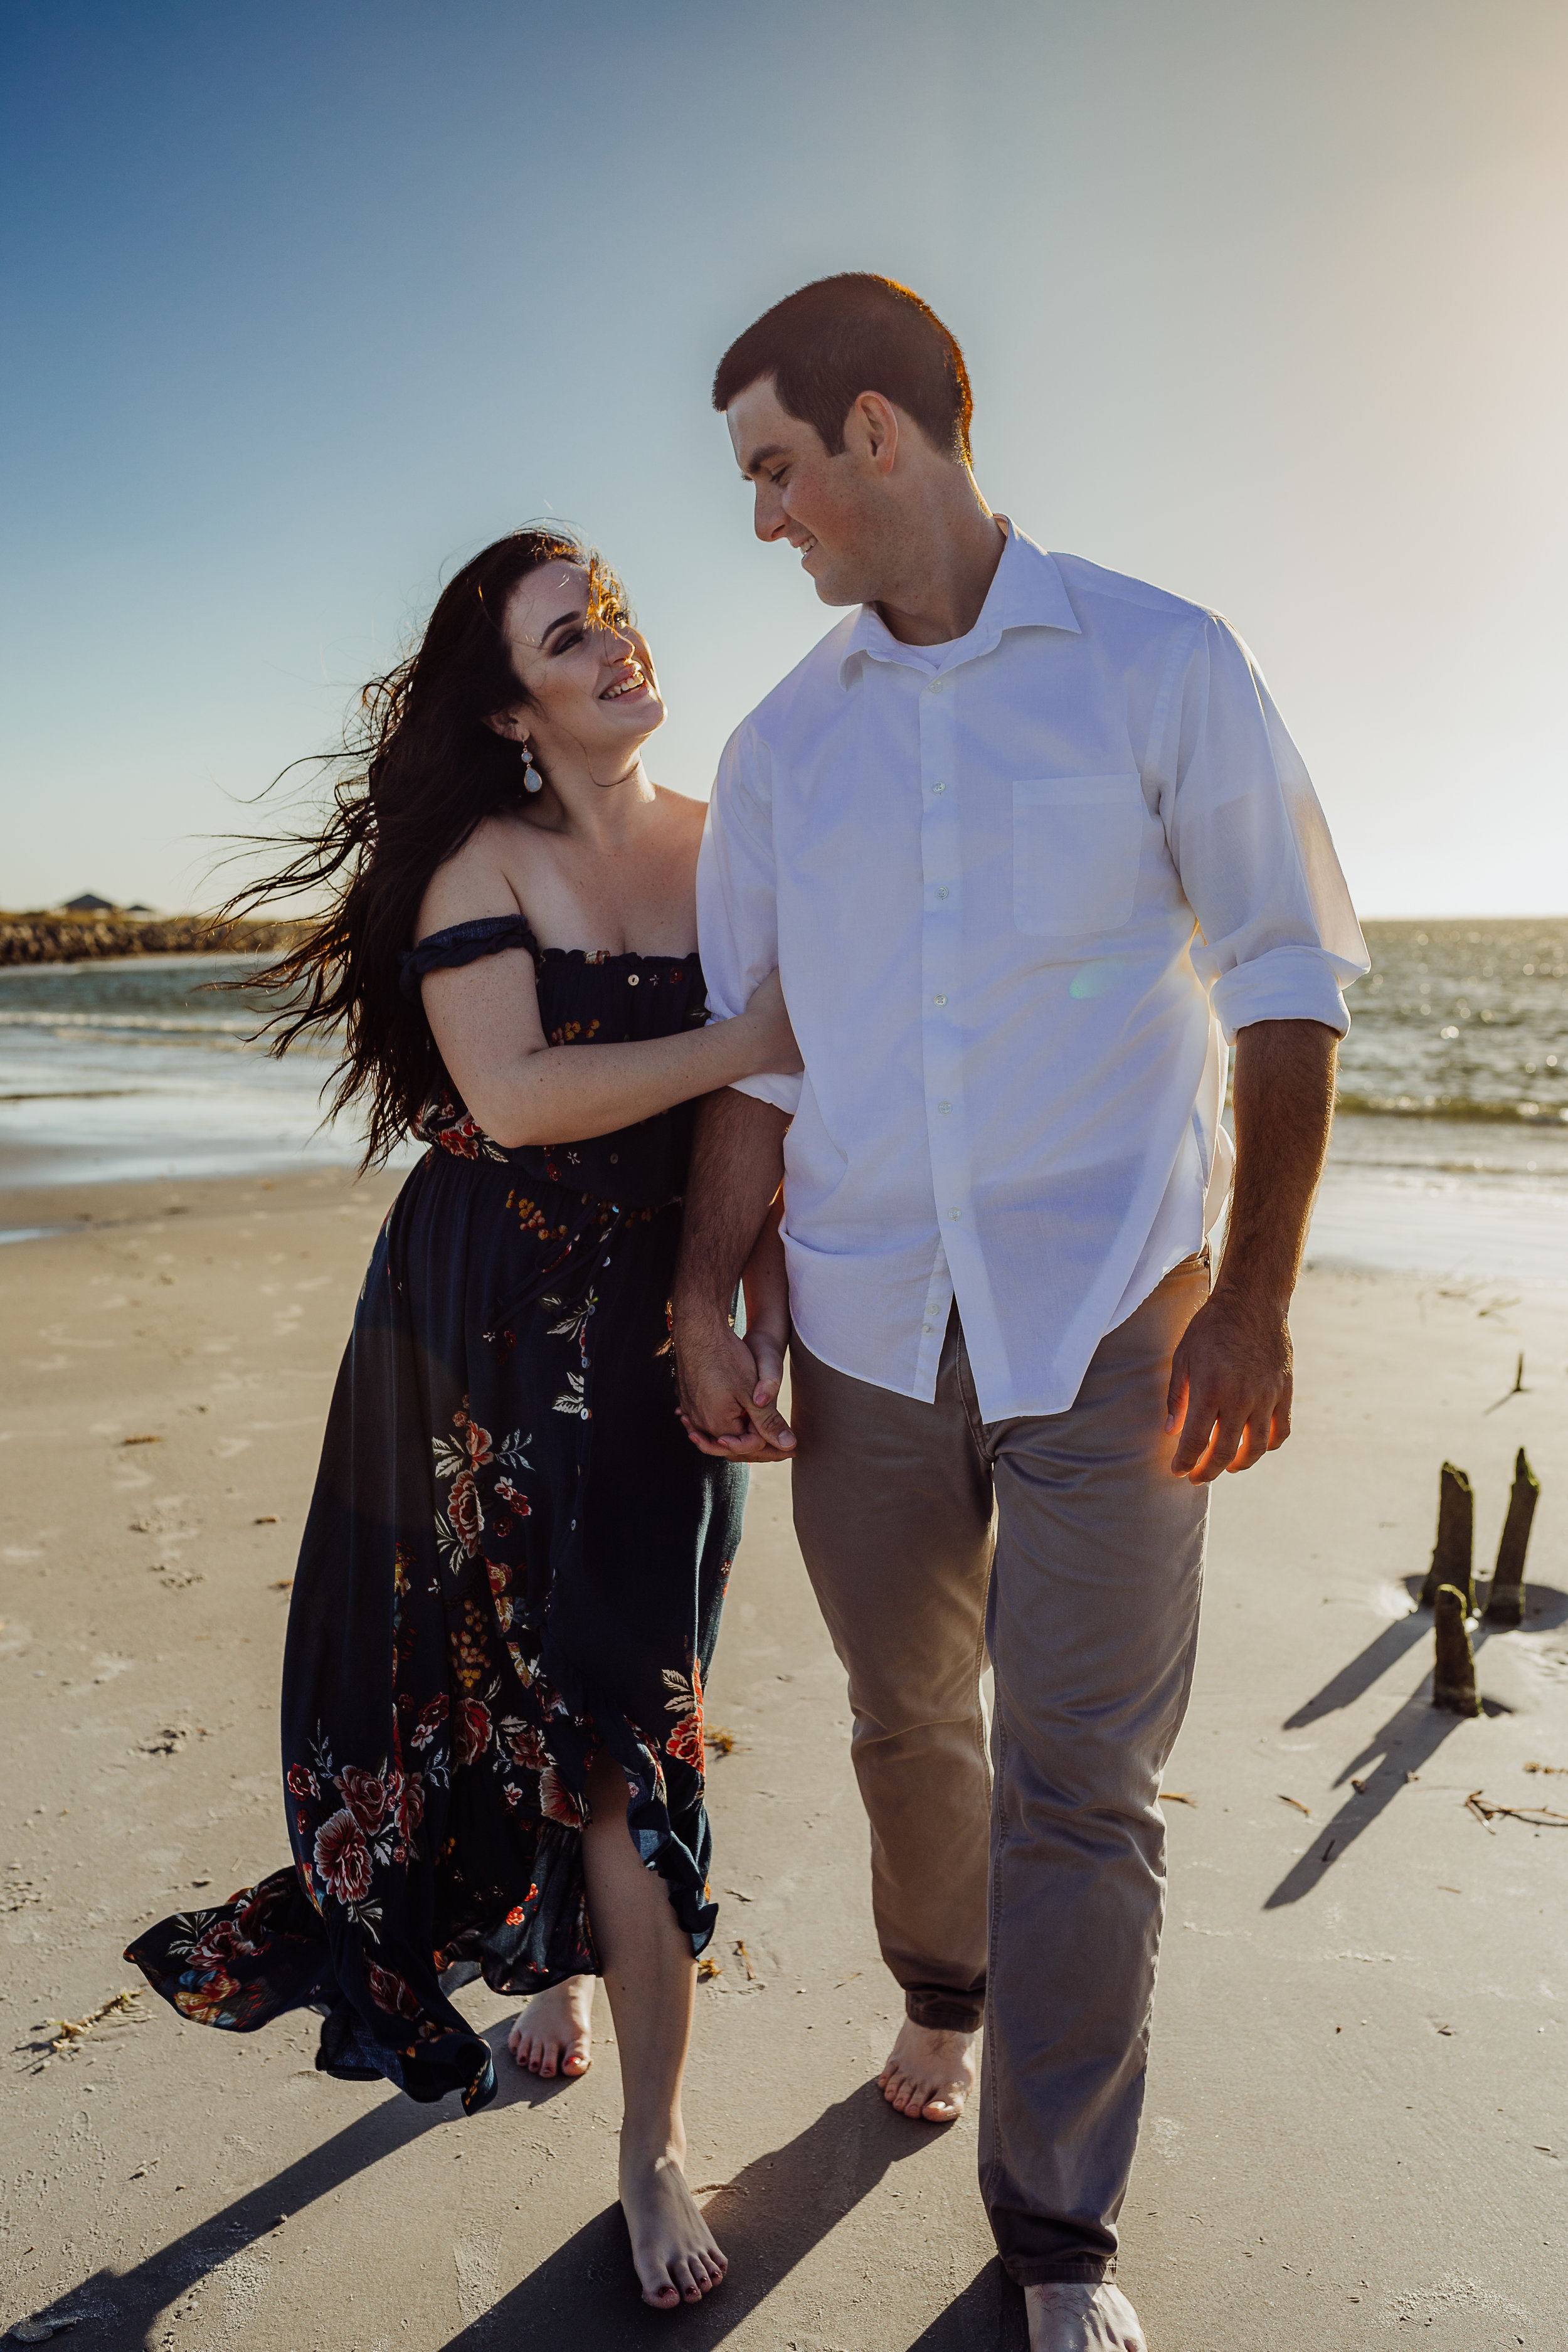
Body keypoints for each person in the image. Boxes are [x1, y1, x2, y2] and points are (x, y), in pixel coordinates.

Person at [672, 275, 1369, 2352]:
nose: (767, 519)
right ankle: (939, 1992)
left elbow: (1282, 975)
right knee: (909, 1730)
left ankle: (1057, 2234)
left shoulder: (1163, 662)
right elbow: (757, 1061)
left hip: (1117, 1323)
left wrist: (1251, 1302)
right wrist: (714, 1298)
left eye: (776, 470)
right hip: (868, 1326)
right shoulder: (783, 749)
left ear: (881, 434)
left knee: (1087, 1778)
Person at [125, 527, 798, 2312]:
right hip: (480, 1333)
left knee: (638, 1713)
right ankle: (594, 2039)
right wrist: (749, 1039)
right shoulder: (478, 866)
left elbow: (783, 1108)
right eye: (569, 638)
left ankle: (644, 2123)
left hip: (662, 1339)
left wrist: (758, 1302)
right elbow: (512, 1086)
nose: (615, 648)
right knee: (514, 1693)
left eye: (619, 617)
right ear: (511, 709)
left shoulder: (735, 851)